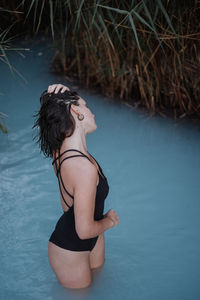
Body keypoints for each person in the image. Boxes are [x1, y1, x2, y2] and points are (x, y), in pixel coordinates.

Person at [33, 83, 119, 289]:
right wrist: (109, 221)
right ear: (75, 111)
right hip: (70, 250)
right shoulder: (81, 167)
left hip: (93, 239)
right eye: (86, 106)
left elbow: (52, 110)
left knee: (100, 286)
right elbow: (84, 230)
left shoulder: (60, 152)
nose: (92, 112)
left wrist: (60, 92)